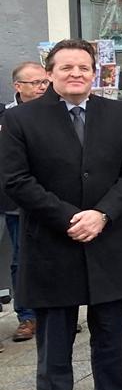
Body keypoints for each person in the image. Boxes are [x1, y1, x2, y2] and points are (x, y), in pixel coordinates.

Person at [0, 38, 122, 390]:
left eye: (83, 68)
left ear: (94, 72)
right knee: (54, 348)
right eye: (66, 68)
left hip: (107, 241)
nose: (75, 74)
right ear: (50, 73)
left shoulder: (119, 115)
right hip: (52, 245)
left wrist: (101, 214)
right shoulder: (22, 120)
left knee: (111, 340)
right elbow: (15, 180)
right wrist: (70, 218)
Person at [3, 60, 51, 343]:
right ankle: (27, 316)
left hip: (53, 200)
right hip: (17, 201)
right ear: (17, 86)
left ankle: (54, 310)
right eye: (35, 83)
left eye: (45, 82)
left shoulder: (55, 113)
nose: (42, 87)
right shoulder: (6, 117)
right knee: (22, 258)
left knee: (53, 257)